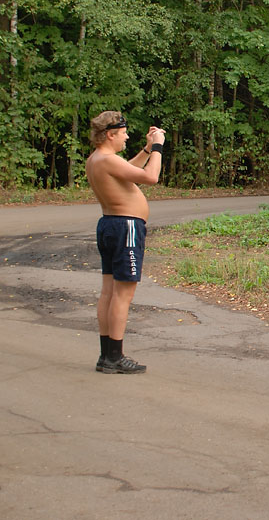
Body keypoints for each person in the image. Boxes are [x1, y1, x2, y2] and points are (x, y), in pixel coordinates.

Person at [86, 110, 166, 374]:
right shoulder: (108, 159)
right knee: (123, 294)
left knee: (109, 292)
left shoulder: (98, 159)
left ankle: (106, 355)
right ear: (110, 135)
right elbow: (151, 177)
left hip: (110, 225)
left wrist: (145, 148)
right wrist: (157, 147)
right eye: (123, 134)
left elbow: (127, 170)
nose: (126, 137)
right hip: (126, 228)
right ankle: (115, 358)